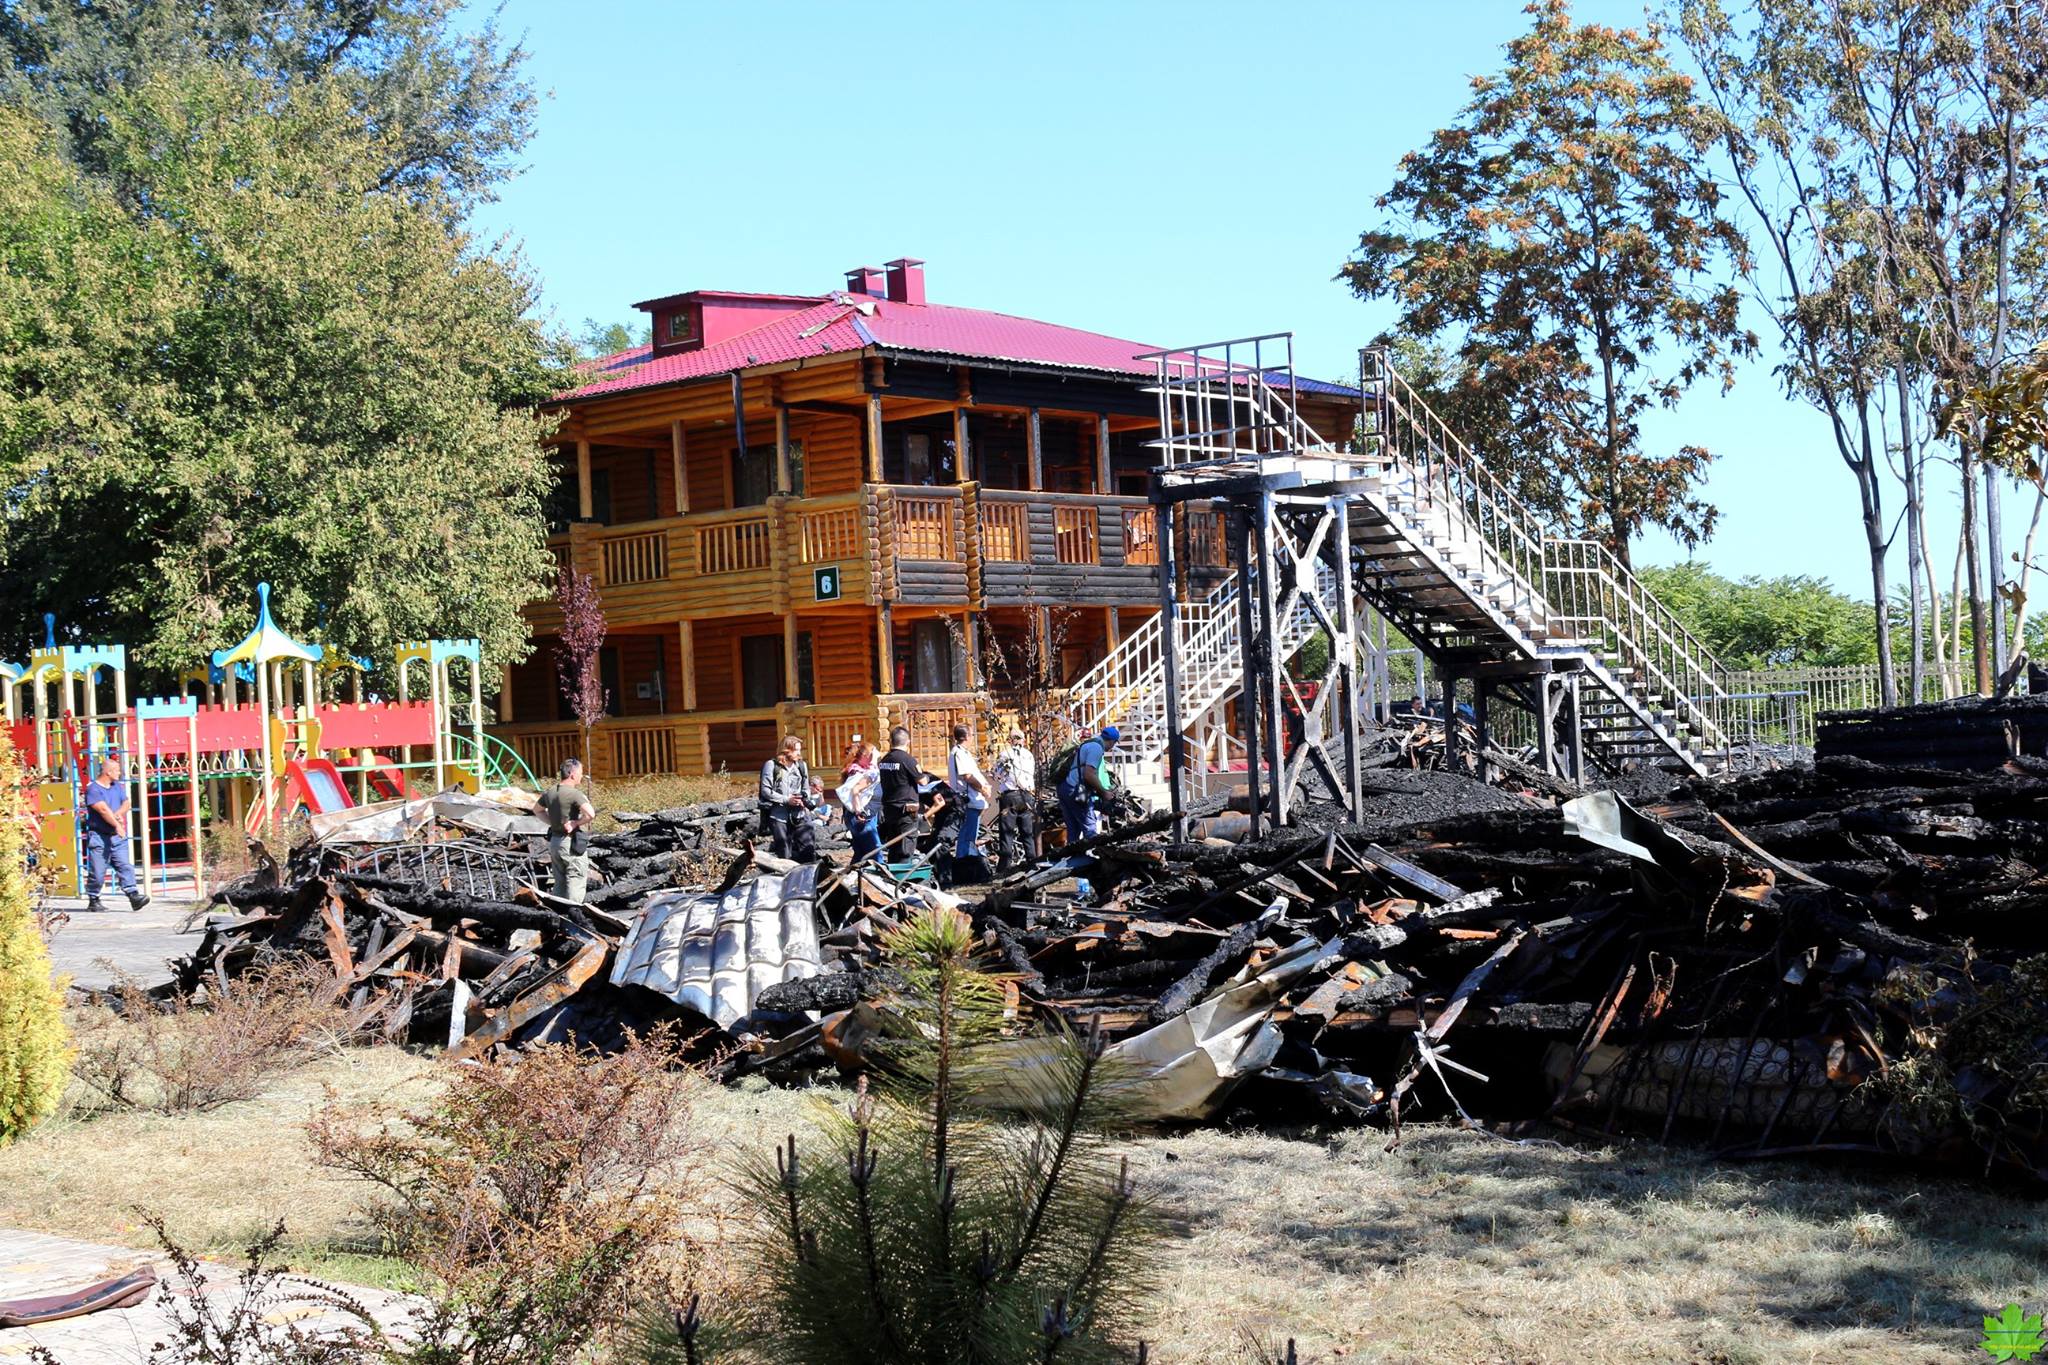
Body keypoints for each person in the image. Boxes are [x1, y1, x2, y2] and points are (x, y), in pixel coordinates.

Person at [83, 754, 148, 912]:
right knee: (98, 871)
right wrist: (117, 825)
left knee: (125, 865)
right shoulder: (93, 789)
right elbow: (103, 810)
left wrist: (119, 813)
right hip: (99, 836)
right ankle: (93, 899)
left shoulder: (117, 786)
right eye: (117, 771)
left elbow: (126, 802)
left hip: (116, 838)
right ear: (108, 772)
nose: (119, 773)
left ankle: (133, 895)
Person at [541, 757, 596, 903]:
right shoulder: (574, 794)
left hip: (555, 842)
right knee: (575, 880)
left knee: (559, 882)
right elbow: (590, 814)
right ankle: (574, 916)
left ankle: (558, 916)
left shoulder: (550, 792)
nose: (581, 776)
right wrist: (576, 823)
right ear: (572, 774)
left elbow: (537, 810)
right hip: (569, 843)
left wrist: (552, 823)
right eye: (580, 773)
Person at [759, 735, 820, 862]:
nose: (799, 753)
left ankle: (808, 878)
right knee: (784, 854)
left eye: (799, 750)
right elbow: (765, 791)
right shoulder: (771, 765)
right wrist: (787, 799)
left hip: (800, 814)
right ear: (786, 750)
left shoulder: (801, 766)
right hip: (778, 816)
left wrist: (803, 798)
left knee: (808, 851)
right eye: (796, 750)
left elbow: (806, 788)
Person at [1057, 724, 1120, 844]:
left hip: (1065, 787)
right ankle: (1093, 858)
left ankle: (1073, 858)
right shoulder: (1096, 748)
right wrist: (1104, 792)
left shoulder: (1088, 744)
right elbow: (1089, 774)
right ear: (1112, 741)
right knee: (1090, 828)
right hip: (1076, 791)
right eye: (1114, 743)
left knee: (1073, 829)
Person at [992, 725, 1039, 874]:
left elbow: (997, 775)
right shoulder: (1029, 755)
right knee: (1027, 832)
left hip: (1010, 796)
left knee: (1007, 832)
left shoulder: (1005, 754)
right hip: (1027, 796)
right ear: (1023, 741)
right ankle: (1032, 862)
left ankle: (1005, 865)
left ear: (1010, 740)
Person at [946, 723, 992, 866]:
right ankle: (964, 862)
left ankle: (968, 860)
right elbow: (967, 776)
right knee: (967, 834)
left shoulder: (964, 752)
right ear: (965, 737)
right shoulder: (958, 752)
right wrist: (981, 788)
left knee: (970, 833)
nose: (972, 738)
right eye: (971, 735)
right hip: (967, 799)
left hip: (973, 798)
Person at [876, 726, 925, 859]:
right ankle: (904, 876)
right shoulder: (907, 760)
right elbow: (923, 782)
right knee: (906, 847)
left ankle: (892, 875)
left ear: (891, 741)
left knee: (894, 844)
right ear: (908, 741)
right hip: (906, 810)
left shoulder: (884, 760)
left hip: (889, 809)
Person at [838, 737, 881, 865]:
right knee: (875, 852)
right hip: (861, 817)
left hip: (865, 816)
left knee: (861, 853)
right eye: (873, 754)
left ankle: (849, 879)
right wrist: (858, 811)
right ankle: (882, 880)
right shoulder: (863, 773)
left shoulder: (862, 770)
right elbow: (855, 790)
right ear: (866, 756)